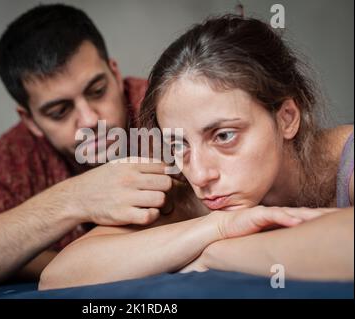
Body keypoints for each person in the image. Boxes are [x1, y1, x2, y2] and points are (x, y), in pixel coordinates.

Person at [38, 14, 353, 291]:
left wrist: (215, 252)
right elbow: (59, 275)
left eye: (224, 135)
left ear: (286, 118)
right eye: (178, 144)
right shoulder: (189, 193)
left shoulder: (346, 157)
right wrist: (217, 227)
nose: (200, 174)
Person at [0, 4, 174, 293]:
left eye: (97, 90)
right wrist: (75, 198)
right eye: (60, 111)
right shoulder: (15, 155)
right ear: (31, 120)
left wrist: (34, 258)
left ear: (115, 74)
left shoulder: (168, 106)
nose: (89, 120)